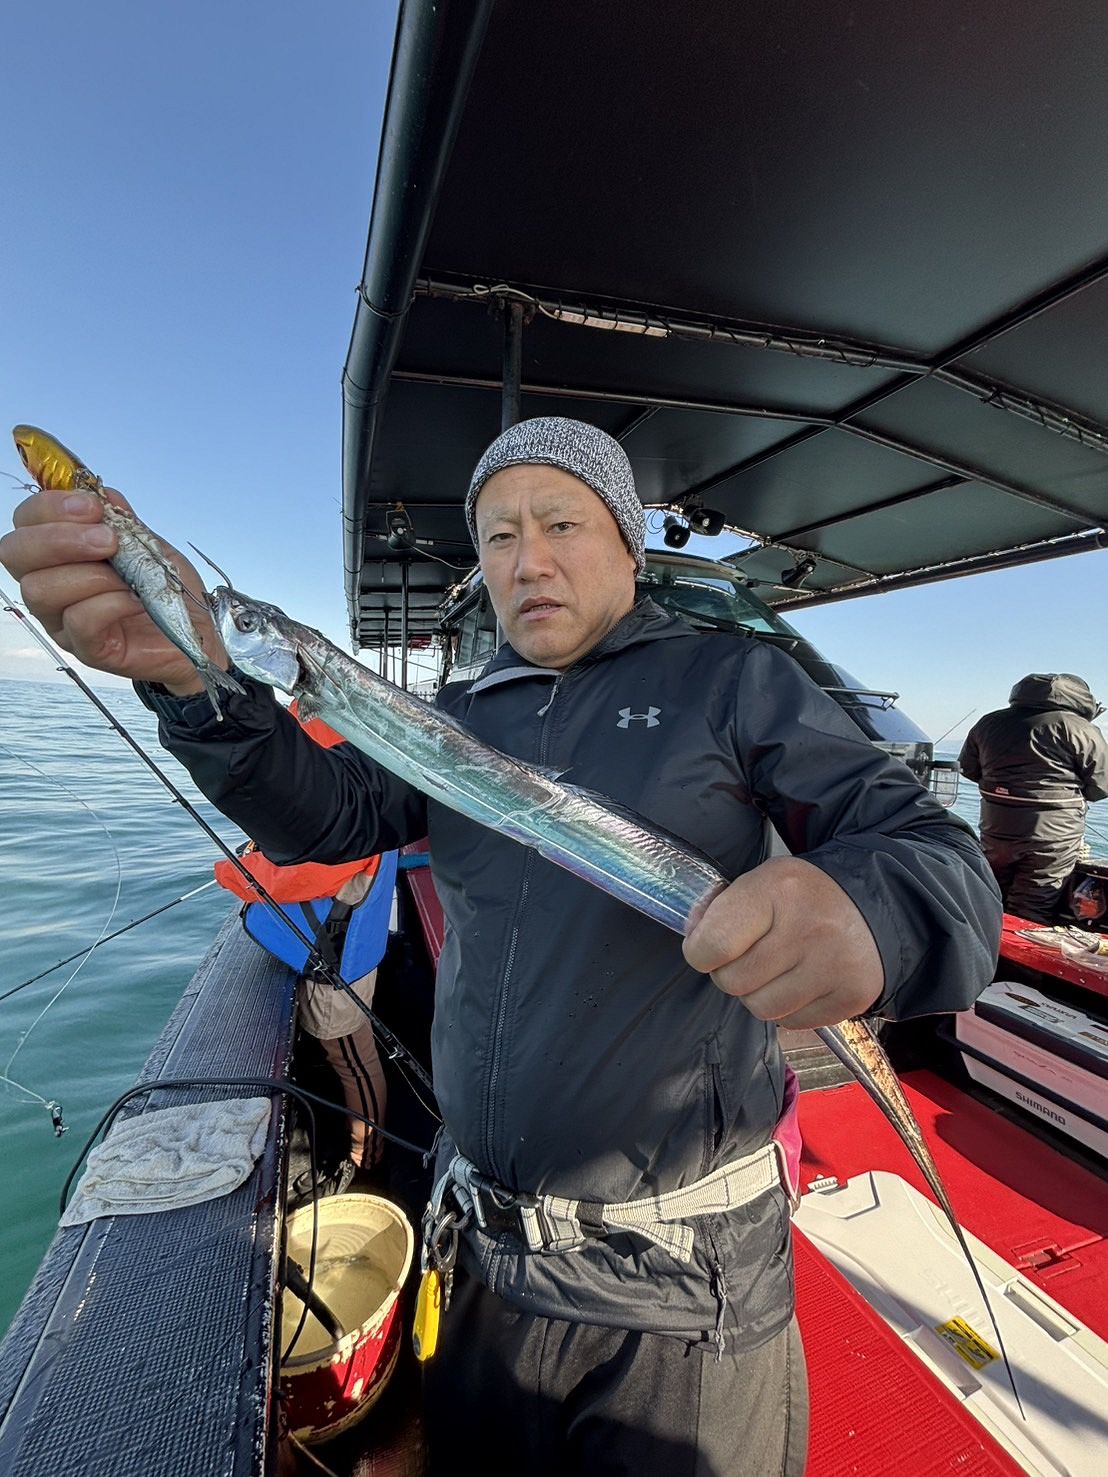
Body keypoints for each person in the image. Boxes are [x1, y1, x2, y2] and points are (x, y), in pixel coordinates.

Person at [2, 416, 1002, 1477]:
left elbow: (931, 853)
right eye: (498, 537)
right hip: (485, 1256)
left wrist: (868, 910)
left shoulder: (736, 682)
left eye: (561, 523)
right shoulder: (462, 712)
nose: (528, 561)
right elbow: (328, 817)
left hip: (683, 1289)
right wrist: (195, 688)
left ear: (626, 542)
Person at [212, 701, 397, 1197]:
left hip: (339, 964)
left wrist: (231, 870)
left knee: (353, 1059)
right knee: (350, 1057)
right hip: (340, 948)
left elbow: (305, 872)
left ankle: (368, 1163)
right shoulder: (351, 759)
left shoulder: (336, 790)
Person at [959, 674, 1108, 924]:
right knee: (1033, 905)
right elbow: (1100, 787)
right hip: (1053, 836)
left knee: (990, 897)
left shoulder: (989, 722)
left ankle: (981, 943)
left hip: (996, 829)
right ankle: (1012, 948)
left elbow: (969, 769)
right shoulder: (1081, 728)